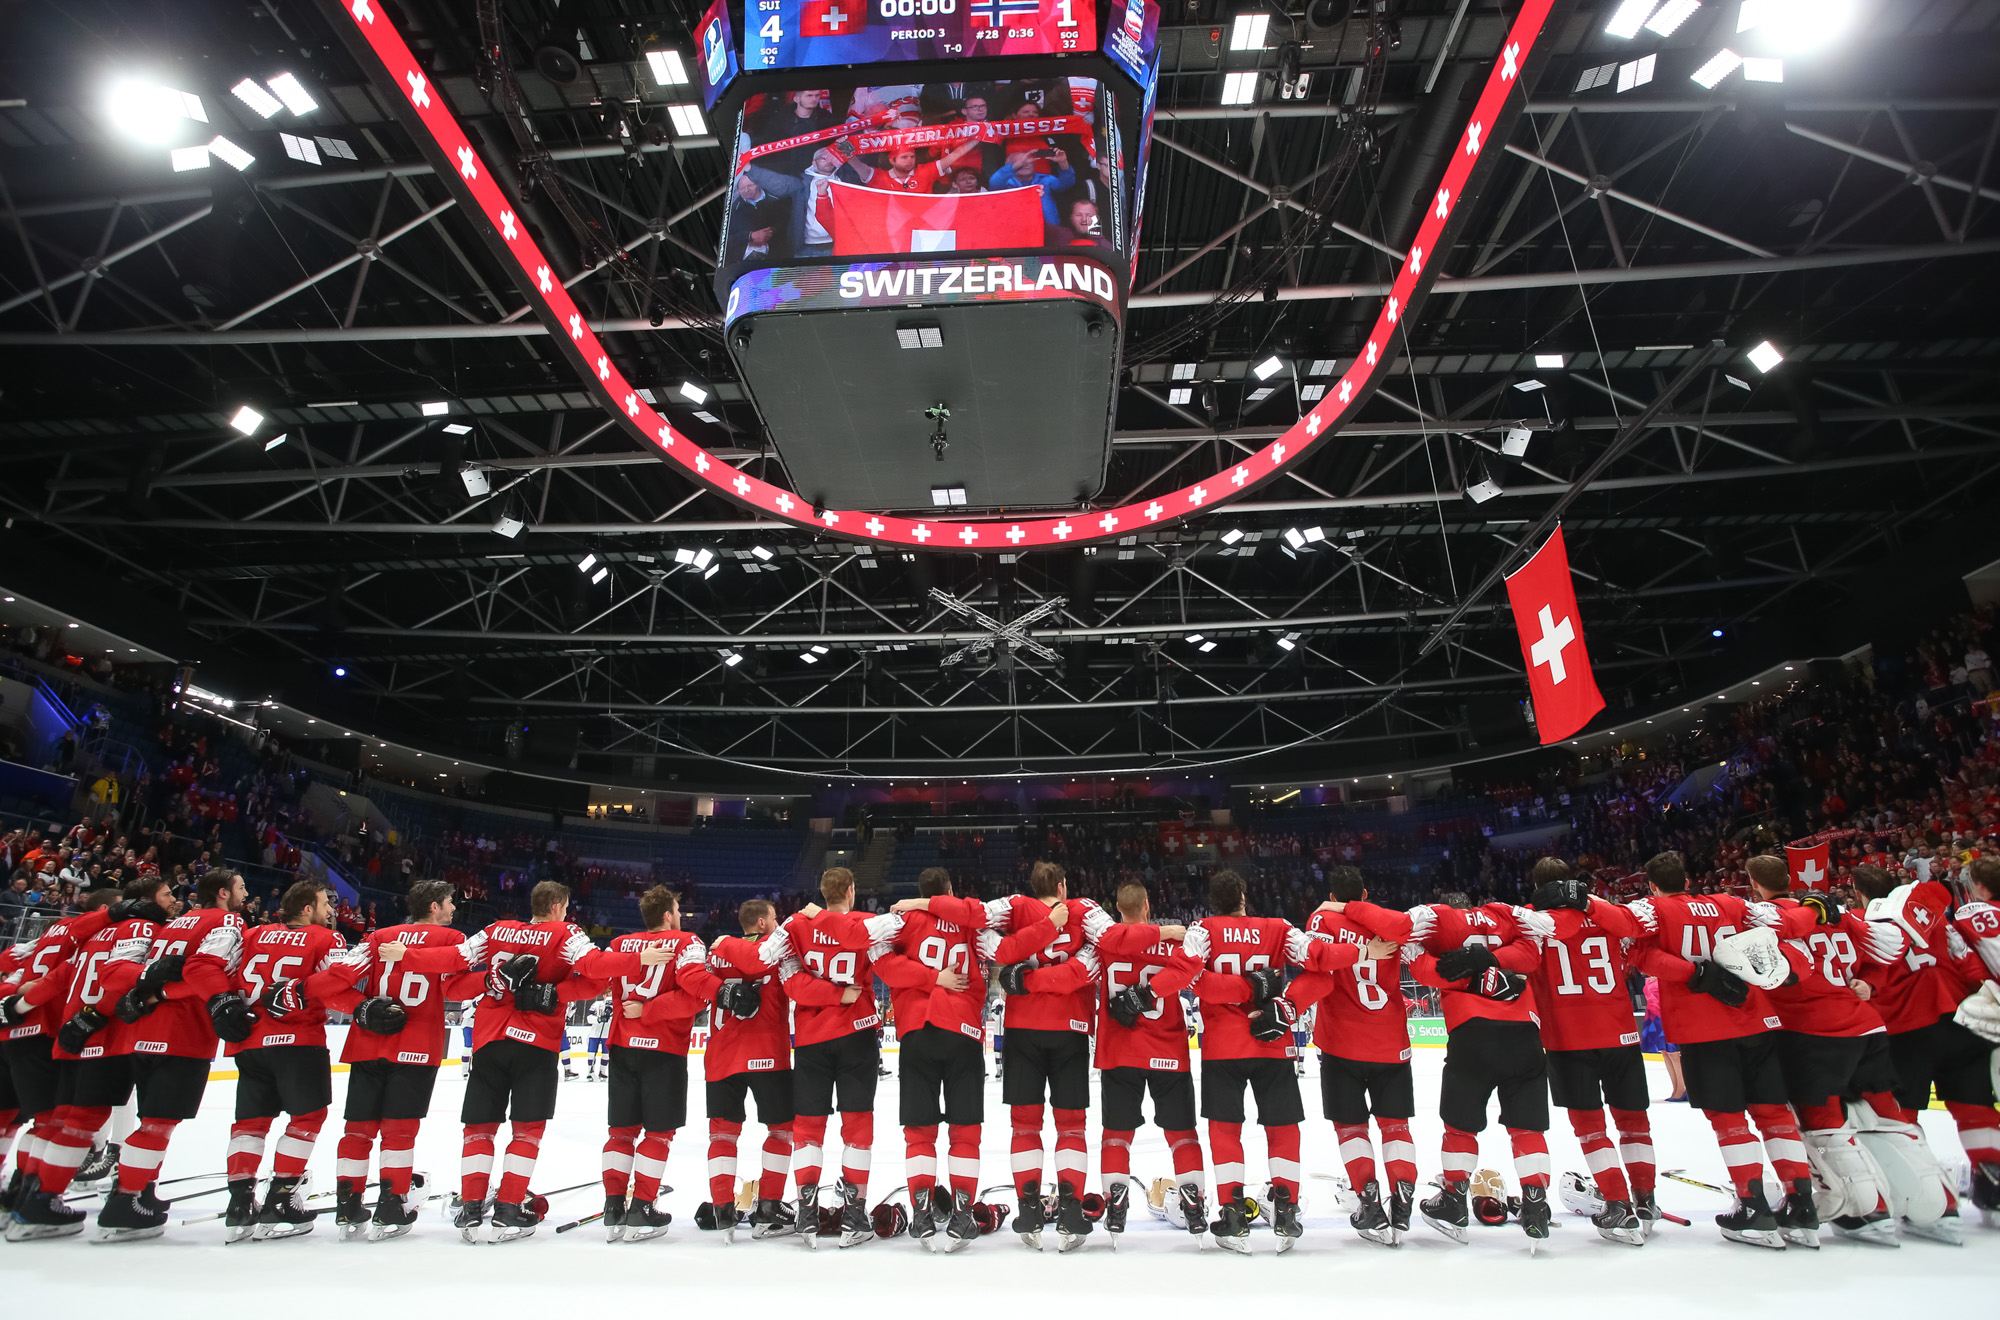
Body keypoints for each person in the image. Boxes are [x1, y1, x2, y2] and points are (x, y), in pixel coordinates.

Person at [438, 880, 677, 1243]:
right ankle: (508, 1209)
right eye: (565, 906)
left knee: (479, 1128)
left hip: (489, 1039)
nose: (566, 912)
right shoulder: (564, 933)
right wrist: (637, 959)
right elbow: (594, 968)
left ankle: (471, 1208)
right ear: (556, 906)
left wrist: (482, 979)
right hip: (536, 1043)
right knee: (527, 1131)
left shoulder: (497, 929)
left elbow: (454, 969)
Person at [1151, 869, 1362, 1254]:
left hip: (1223, 1047)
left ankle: (1233, 1214)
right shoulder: (1278, 927)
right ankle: (1286, 1210)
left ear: (1213, 902)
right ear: (1244, 896)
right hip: (1273, 1042)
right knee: (1283, 1128)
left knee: (1225, 1131)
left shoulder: (1202, 929)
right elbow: (1322, 965)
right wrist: (1286, 1003)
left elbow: (1186, 975)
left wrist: (1148, 992)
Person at [1334, 887, 1556, 1249]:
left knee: (1460, 1128)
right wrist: (1494, 960)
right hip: (1526, 1034)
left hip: (1472, 1033)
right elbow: (1533, 952)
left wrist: (1421, 955)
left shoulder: (1440, 920)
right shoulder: (1504, 916)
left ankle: (1454, 1200)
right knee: (1526, 1128)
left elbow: (1429, 970)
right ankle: (1535, 1204)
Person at [1625, 850, 1818, 1249]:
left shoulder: (1657, 912)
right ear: (1690, 880)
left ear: (1653, 887)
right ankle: (1802, 1204)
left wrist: (1686, 969)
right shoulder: (1730, 903)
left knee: (1729, 1120)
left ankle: (1752, 1206)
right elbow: (1778, 931)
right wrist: (1816, 908)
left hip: (1704, 1028)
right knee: (1774, 1113)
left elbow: (1643, 954)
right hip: (1754, 1018)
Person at [883, 868, 1056, 1249]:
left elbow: (879, 960)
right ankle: (962, 1216)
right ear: (949, 892)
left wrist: (928, 978)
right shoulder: (972, 927)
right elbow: (1006, 952)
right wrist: (1050, 926)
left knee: (919, 1132)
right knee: (965, 1132)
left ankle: (922, 1214)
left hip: (916, 1030)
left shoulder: (903, 921)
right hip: (961, 1033)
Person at [1743, 854, 1906, 1246]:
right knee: (1883, 1118)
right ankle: (1918, 1199)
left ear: (1753, 884)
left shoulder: (1767, 917)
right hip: (1866, 1024)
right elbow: (1881, 953)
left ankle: (1862, 1210)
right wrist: (1870, 983)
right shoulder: (1834, 912)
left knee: (1822, 1122)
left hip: (1813, 1030)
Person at [300, 877, 467, 1242]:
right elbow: (460, 981)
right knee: (399, 1131)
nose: (455, 908)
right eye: (451, 901)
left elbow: (340, 977)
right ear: (434, 906)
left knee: (357, 1129)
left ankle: (348, 1204)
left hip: (368, 1043)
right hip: (418, 1046)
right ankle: (392, 1203)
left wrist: (301, 992)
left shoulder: (378, 937)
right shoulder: (452, 940)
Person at [757, 867, 903, 1248]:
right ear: (852, 892)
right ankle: (854, 1216)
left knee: (807, 1128)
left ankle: (807, 1214)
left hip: (811, 1038)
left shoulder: (798, 924)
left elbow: (786, 979)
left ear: (821, 892)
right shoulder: (867, 923)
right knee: (857, 1128)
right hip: (857, 1033)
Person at [1515, 859, 1659, 1246]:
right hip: (1620, 1032)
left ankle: (1618, 1205)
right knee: (1634, 1122)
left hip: (1567, 1038)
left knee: (1591, 1129)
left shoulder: (1531, 919)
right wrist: (1590, 901)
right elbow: (1636, 926)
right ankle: (1645, 1199)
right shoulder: (1604, 913)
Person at [1851, 863, 1994, 1239]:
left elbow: (1863, 979)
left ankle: (1936, 1202)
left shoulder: (1868, 925)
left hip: (1906, 1031)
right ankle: (1994, 1183)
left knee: (1900, 1119)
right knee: (1975, 1107)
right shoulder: (1937, 922)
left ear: (1859, 893)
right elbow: (1972, 966)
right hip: (1961, 1021)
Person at [979, 860, 1105, 1249]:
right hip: (1070, 1029)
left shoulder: (1017, 906)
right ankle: (1070, 1212)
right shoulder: (1083, 909)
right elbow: (1112, 941)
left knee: (1024, 1125)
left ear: (1034, 888)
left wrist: (1014, 970)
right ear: (1063, 887)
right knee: (1071, 1126)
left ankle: (1029, 1210)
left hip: (1022, 1030)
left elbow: (979, 923)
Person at [1071, 881, 1205, 1245]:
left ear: (1117, 908)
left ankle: (1116, 1202)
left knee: (1116, 1135)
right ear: (1148, 905)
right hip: (1169, 1053)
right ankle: (1193, 1202)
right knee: (1182, 1134)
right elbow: (1195, 975)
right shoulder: (1174, 940)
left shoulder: (1106, 944)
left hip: (1119, 1053)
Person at [1298, 865, 1419, 1245]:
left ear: (1332, 897)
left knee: (1351, 1128)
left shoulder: (1323, 918)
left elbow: (1313, 959)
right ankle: (1402, 1195)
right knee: (1396, 1125)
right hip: (1390, 1041)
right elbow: (1405, 927)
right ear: (1365, 896)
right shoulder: (1386, 921)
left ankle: (1368, 1199)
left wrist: (1331, 912)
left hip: (1341, 1042)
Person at [0, 886, 118, 1239]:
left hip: (13, 1033)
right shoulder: (86, 934)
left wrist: (13, 1001)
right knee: (50, 1122)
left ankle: (19, 1197)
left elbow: (17, 974)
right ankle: (32, 1199)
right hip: (40, 1031)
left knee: (18, 1119)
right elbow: (54, 979)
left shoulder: (42, 937)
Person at [681, 898, 798, 1240]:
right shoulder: (772, 951)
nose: (777, 924)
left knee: (722, 1134)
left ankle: (722, 1209)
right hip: (768, 1054)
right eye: (774, 919)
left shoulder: (717, 954)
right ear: (762, 923)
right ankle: (769, 1206)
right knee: (781, 1131)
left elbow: (690, 981)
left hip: (721, 1055)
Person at [598, 885, 705, 1243]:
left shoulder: (619, 945)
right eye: (677, 909)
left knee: (621, 1132)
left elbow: (614, 991)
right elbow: (693, 999)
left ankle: (614, 1206)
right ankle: (641, 1206)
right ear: (666, 915)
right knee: (658, 1133)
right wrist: (652, 1010)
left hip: (624, 1045)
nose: (679, 916)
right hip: (664, 1048)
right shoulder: (687, 941)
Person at [987, 146, 1074, 225]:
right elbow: (994, 182)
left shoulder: (1045, 179)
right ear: (1010, 167)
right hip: (1017, 230)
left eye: (1028, 160)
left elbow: (1066, 184)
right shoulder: (1005, 183)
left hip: (1049, 231)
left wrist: (1063, 162)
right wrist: (1018, 164)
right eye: (1020, 162)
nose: (1025, 164)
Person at [585, 995, 610, 1082]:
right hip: (594, 1033)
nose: (609, 997)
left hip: (607, 1034)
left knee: (606, 1054)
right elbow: (589, 1018)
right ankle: (589, 1072)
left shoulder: (615, 1006)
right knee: (591, 1053)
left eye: (611, 994)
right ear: (604, 996)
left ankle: (602, 1072)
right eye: (607, 995)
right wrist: (598, 1019)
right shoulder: (596, 1004)